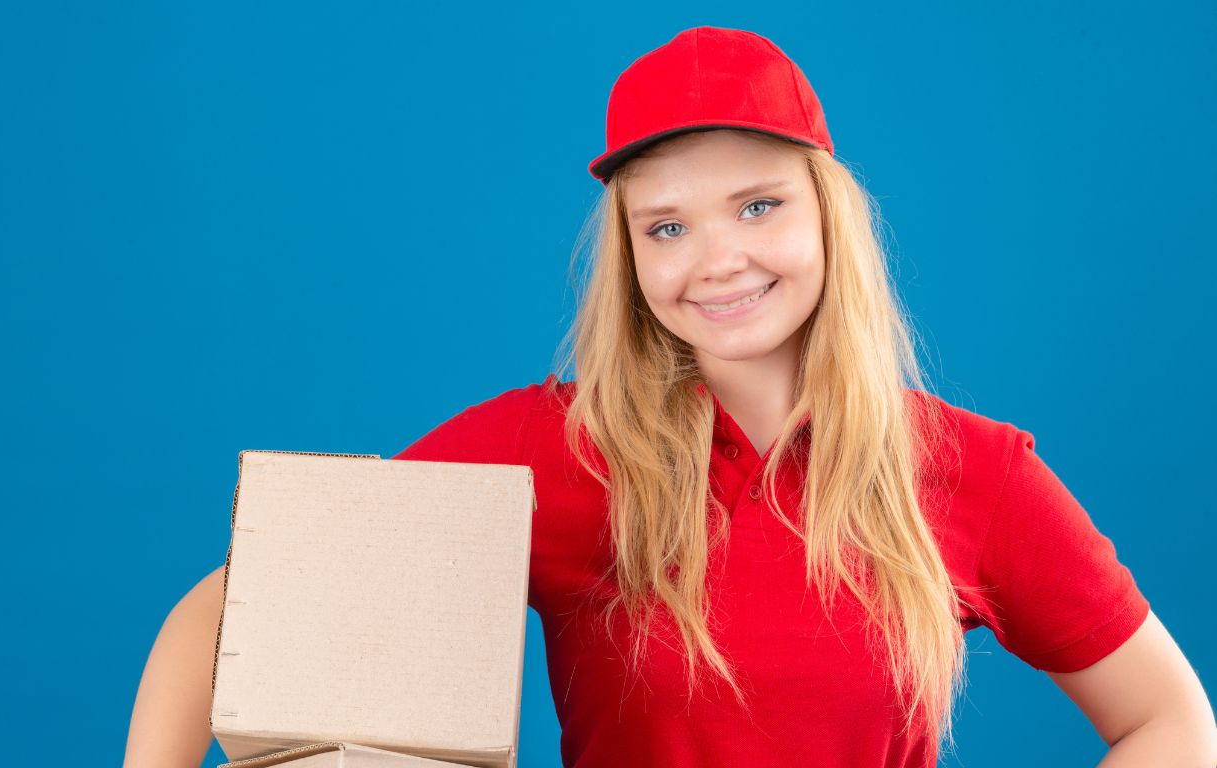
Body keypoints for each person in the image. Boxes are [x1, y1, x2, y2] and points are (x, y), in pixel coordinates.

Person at [124, 25, 1217, 768]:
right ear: (630, 254)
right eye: (666, 226)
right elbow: (220, 616)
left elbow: (1172, 722)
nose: (717, 260)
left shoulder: (973, 472)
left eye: (756, 206)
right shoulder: (549, 450)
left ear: (826, 213)